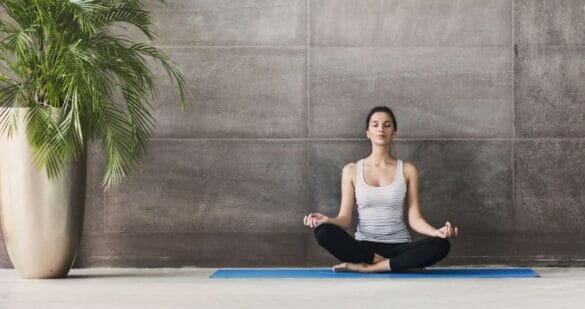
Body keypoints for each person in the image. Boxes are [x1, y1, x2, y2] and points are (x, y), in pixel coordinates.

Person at [303, 106, 459, 273]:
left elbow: (415, 219)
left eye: (387, 125)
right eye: (375, 125)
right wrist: (327, 220)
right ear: (368, 133)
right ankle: (393, 264)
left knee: (440, 244)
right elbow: (345, 219)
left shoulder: (407, 170)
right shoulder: (351, 170)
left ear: (394, 133)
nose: (381, 129)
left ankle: (368, 268)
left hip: (399, 246)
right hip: (364, 249)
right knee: (323, 232)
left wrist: (437, 232)